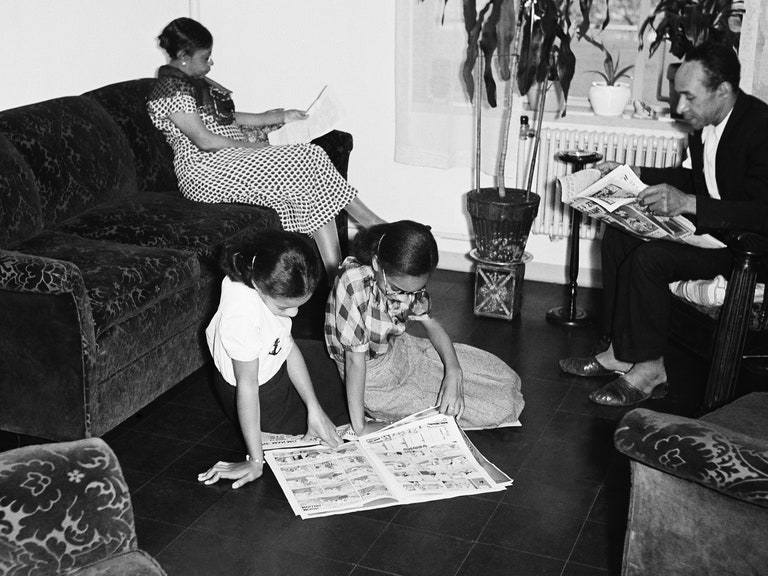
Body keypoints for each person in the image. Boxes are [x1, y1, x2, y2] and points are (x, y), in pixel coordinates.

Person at [560, 42, 768, 406]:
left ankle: (652, 368)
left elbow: (763, 211)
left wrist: (687, 204)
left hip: (746, 251)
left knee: (650, 259)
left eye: (689, 96)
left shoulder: (760, 128)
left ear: (723, 90)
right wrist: (634, 174)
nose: (680, 107)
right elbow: (696, 179)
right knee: (618, 238)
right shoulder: (705, 122)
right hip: (711, 236)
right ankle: (620, 351)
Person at [147, 17, 384, 281]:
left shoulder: (193, 85)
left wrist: (281, 116)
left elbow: (231, 118)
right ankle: (373, 227)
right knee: (310, 156)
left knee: (311, 174)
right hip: (205, 171)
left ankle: (336, 274)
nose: (211, 63)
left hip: (229, 161)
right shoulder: (170, 90)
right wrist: (253, 147)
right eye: (206, 57)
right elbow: (205, 140)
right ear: (183, 56)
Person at [324, 220, 524, 435]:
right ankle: (388, 410)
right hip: (376, 382)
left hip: (403, 351)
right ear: (376, 264)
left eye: (415, 291)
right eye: (398, 289)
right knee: (501, 407)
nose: (406, 298)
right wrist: (360, 426)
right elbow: (355, 361)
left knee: (506, 378)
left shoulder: (407, 280)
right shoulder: (352, 283)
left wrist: (454, 372)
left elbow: (432, 325)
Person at [199, 230, 345, 489]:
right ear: (257, 285)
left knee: (341, 366)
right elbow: (247, 387)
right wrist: (256, 460)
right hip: (261, 395)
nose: (295, 313)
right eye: (284, 308)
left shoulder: (263, 278)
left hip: (274, 365)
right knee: (343, 410)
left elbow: (287, 346)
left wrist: (314, 408)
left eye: (300, 304)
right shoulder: (241, 317)